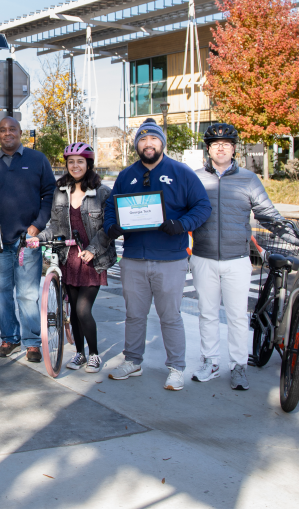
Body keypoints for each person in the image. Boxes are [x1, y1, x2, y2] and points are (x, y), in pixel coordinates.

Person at [104, 118, 211, 391]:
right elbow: (111, 208)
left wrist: (181, 225)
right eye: (142, 139)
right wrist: (111, 226)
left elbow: (202, 206)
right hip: (134, 258)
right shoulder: (126, 175)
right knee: (134, 315)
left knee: (170, 316)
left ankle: (176, 368)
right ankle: (133, 361)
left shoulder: (181, 172)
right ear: (136, 145)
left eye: (153, 139)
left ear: (162, 143)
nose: (148, 144)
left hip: (170, 259)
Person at [190, 123, 294, 391]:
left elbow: (268, 214)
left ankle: (238, 366)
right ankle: (210, 362)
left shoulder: (248, 179)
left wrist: (294, 237)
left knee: (237, 316)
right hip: (203, 257)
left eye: (226, 144)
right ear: (208, 149)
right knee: (207, 314)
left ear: (234, 148)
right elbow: (178, 210)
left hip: (237, 259)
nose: (221, 148)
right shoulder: (195, 178)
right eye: (215, 144)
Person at [0, 116, 55, 362]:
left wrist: (38, 225)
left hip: (28, 239)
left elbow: (49, 194)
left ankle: (32, 342)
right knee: (0, 292)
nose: (7, 133)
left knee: (27, 293)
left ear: (20, 132)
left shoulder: (38, 160)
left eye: (12, 129)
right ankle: (10, 338)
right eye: (3, 130)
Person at [32, 143, 116, 373]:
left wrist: (93, 249)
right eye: (71, 162)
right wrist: (39, 238)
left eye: (80, 161)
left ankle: (94, 354)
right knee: (74, 314)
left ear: (89, 164)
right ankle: (80, 353)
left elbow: (108, 228)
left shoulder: (102, 193)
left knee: (82, 310)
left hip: (92, 260)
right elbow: (55, 226)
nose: (75, 166)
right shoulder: (60, 192)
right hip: (68, 259)